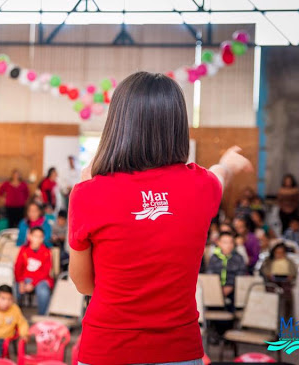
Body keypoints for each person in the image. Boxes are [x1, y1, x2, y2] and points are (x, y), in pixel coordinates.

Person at [68, 72, 253, 365]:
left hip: (107, 349)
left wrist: (86, 181)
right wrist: (227, 162)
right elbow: (221, 175)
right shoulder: (202, 186)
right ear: (177, 126)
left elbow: (84, 284)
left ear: (118, 124)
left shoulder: (88, 193)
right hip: (179, 350)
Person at [15, 227, 53, 315]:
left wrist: (33, 284)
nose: (37, 239)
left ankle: (42, 316)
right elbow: (18, 267)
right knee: (15, 289)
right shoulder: (23, 250)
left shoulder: (47, 252)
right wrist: (20, 282)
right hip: (25, 278)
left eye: (40, 237)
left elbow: (45, 272)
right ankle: (16, 316)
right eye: (35, 236)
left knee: (43, 292)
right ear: (29, 236)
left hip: (41, 280)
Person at [207, 232, 247, 310]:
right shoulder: (214, 258)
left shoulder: (238, 258)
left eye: (231, 242)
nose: (228, 245)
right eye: (225, 242)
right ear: (218, 243)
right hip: (215, 291)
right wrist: (218, 288)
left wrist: (230, 286)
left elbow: (241, 274)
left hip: (234, 291)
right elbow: (210, 274)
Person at [260, 242, 297, 317]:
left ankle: (288, 316)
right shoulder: (269, 260)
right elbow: (264, 269)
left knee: (287, 294)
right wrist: (268, 274)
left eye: (281, 253)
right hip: (272, 280)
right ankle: (270, 314)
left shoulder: (289, 261)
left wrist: (291, 276)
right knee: (270, 293)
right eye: (277, 252)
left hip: (285, 280)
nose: (279, 254)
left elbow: (294, 271)